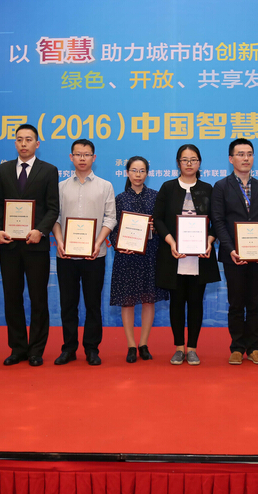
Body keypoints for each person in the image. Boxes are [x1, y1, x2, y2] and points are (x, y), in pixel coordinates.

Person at [0, 123, 59, 367]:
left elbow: (53, 207)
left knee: (38, 298)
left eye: (28, 139)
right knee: (12, 297)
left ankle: (36, 350)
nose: (23, 143)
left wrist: (40, 230)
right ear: (15, 143)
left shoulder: (48, 170)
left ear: (37, 144)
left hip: (36, 245)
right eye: (19, 139)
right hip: (9, 245)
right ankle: (18, 347)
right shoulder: (3, 169)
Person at [153, 144, 220, 366]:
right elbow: (158, 219)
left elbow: (217, 221)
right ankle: (179, 348)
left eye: (193, 159)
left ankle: (192, 348)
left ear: (199, 163)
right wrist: (171, 242)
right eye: (185, 159)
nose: (189, 163)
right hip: (174, 255)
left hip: (200, 258)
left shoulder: (208, 189)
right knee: (176, 303)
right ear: (178, 163)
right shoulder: (168, 187)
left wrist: (209, 240)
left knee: (196, 302)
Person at [52, 139, 117, 366]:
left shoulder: (105, 186)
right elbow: (54, 217)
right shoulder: (60, 187)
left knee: (93, 304)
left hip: (94, 255)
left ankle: (92, 349)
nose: (82, 158)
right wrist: (59, 241)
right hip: (66, 255)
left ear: (93, 158)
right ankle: (69, 348)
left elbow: (110, 218)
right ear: (71, 157)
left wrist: (98, 242)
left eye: (87, 154)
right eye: (78, 154)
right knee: (68, 304)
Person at [211, 138, 258, 365]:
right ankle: (237, 347)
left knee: (255, 303)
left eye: (249, 154)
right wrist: (230, 249)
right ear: (231, 159)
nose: (246, 158)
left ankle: (254, 347)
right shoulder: (221, 186)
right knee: (236, 303)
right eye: (240, 154)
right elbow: (218, 221)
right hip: (234, 256)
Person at [108, 156, 168, 363]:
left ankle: (144, 343)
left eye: (142, 171)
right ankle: (131, 345)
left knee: (148, 299)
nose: (138, 175)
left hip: (150, 255)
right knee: (128, 301)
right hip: (126, 256)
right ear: (127, 173)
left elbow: (163, 224)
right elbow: (112, 228)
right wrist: (119, 244)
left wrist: (155, 228)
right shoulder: (119, 199)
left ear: (147, 173)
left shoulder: (156, 197)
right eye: (134, 170)